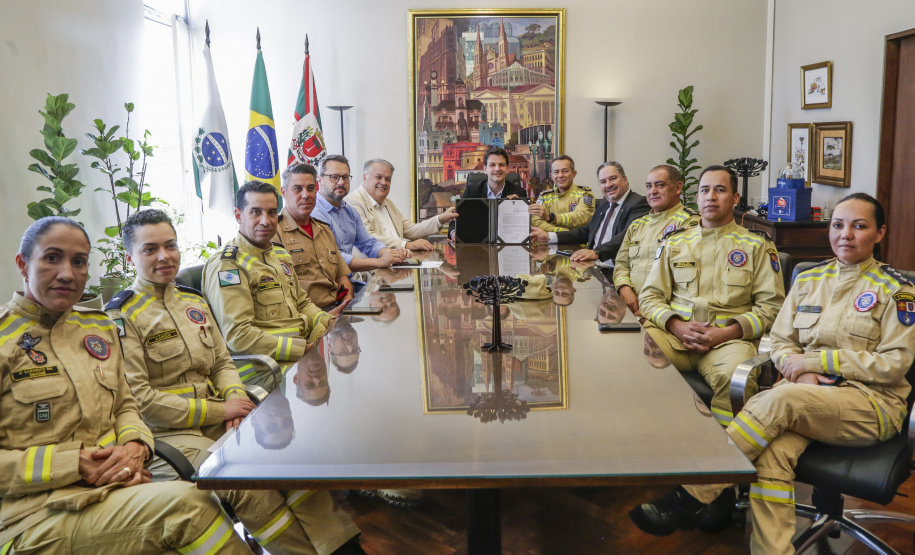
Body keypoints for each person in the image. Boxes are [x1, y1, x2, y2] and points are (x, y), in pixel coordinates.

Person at [630, 193, 915, 555]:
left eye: (859, 226)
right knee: (771, 457)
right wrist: (799, 371)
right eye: (838, 225)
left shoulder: (898, 291)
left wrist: (812, 365)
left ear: (879, 233)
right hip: (805, 397)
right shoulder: (810, 279)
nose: (846, 234)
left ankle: (694, 493)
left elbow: (895, 364)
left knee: (779, 399)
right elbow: (779, 342)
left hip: (870, 404)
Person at [109, 209, 365, 555]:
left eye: (170, 246)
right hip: (172, 433)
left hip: (221, 416)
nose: (164, 256)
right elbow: (142, 401)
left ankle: (343, 548)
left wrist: (235, 400)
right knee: (244, 480)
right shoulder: (121, 316)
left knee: (289, 461)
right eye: (149, 249)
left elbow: (222, 362)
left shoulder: (192, 301)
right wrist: (219, 410)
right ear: (130, 258)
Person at [0, 216, 252, 554]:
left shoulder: (95, 329)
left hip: (118, 487)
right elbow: (146, 401)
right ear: (22, 263)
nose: (66, 273)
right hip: (36, 512)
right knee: (189, 508)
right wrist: (74, 464)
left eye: (78, 262)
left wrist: (135, 450)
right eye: (51, 258)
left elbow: (125, 406)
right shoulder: (6, 342)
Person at [638, 165, 785, 429]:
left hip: (727, 342)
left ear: (735, 198)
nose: (711, 197)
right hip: (675, 336)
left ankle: (724, 452)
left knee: (735, 378)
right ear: (696, 197)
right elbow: (650, 296)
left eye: (720, 190)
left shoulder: (757, 245)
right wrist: (675, 325)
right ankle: (656, 435)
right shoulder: (674, 242)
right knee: (637, 362)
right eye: (705, 190)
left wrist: (726, 333)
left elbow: (772, 307)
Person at [203, 180, 341, 390]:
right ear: (239, 215)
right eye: (256, 212)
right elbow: (239, 336)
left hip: (298, 356)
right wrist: (299, 348)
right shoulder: (228, 265)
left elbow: (302, 303)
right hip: (264, 372)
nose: (266, 221)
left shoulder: (279, 253)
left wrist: (328, 321)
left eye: (271, 213)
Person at [613, 164, 700, 317]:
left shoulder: (689, 223)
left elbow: (686, 280)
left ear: (678, 187)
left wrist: (653, 310)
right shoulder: (637, 225)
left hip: (665, 314)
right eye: (649, 186)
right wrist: (624, 288)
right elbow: (621, 264)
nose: (652, 191)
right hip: (629, 307)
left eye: (660, 185)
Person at [530, 161, 650, 262]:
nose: (608, 185)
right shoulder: (604, 205)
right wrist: (548, 236)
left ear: (625, 180)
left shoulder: (638, 203)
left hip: (614, 270)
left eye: (613, 179)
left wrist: (596, 252)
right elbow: (584, 233)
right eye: (603, 182)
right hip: (592, 266)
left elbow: (625, 237)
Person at [273, 163, 355, 308]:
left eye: (311, 188)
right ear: (284, 193)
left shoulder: (324, 230)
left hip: (336, 311)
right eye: (297, 189)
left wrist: (346, 305)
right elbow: (280, 292)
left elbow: (342, 277)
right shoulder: (274, 233)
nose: (306, 195)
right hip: (306, 318)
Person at [311, 154, 411, 271]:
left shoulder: (349, 211)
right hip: (328, 284)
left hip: (350, 280)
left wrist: (389, 253)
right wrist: (379, 262)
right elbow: (332, 257)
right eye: (334, 177)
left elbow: (368, 242)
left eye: (345, 177)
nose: (341, 182)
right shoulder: (314, 212)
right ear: (320, 180)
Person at [346, 158, 458, 251]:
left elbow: (411, 230)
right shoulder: (353, 202)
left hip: (398, 263)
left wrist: (441, 219)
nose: (384, 183)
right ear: (365, 177)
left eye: (388, 179)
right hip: (373, 271)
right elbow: (368, 238)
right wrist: (406, 245)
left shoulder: (388, 203)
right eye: (378, 177)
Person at [449, 146, 528, 238]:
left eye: (501, 165)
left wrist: (518, 209)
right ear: (485, 169)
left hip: (506, 246)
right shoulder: (472, 191)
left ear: (507, 169)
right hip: (478, 246)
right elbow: (456, 220)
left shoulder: (518, 192)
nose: (497, 169)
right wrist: (454, 233)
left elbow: (524, 226)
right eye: (492, 165)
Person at [528, 155, 595, 232]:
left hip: (576, 243)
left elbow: (581, 217)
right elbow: (537, 222)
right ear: (552, 176)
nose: (560, 175)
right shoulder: (544, 196)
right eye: (556, 172)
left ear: (574, 174)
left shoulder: (584, 194)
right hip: (548, 242)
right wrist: (562, 232)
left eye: (565, 171)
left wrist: (551, 217)